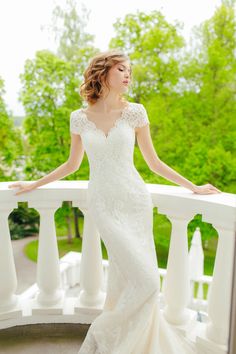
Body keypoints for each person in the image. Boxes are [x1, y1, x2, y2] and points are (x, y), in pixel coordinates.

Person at [9, 49, 221, 353]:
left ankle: (124, 341)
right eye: (122, 69)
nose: (128, 75)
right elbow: (71, 165)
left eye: (129, 71)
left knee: (135, 280)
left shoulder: (136, 111)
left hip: (135, 201)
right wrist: (35, 183)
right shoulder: (79, 118)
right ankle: (105, 333)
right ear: (103, 72)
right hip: (104, 204)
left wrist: (194, 187)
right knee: (145, 281)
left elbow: (154, 163)